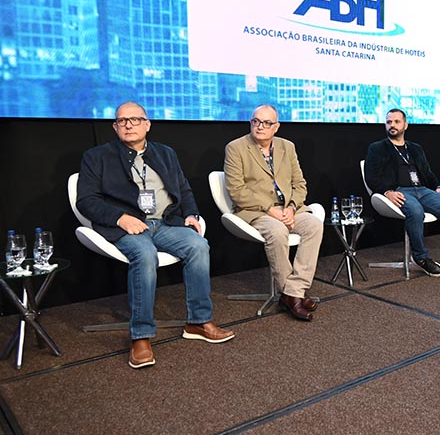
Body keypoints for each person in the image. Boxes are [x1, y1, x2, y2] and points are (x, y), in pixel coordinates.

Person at [77, 102, 234, 369]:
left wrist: (191, 214)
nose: (129, 125)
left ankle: (198, 322)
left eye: (135, 119)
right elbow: (86, 201)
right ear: (115, 126)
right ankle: (140, 335)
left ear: (147, 124)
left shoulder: (165, 153)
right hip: (127, 227)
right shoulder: (97, 156)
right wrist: (120, 218)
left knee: (198, 245)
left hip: (165, 223)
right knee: (145, 254)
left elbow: (183, 189)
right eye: (122, 121)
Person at [224, 104, 323, 321]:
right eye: (256, 121)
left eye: (266, 123)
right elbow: (237, 191)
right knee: (277, 231)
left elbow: (300, 184)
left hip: (288, 208)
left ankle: (293, 291)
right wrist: (270, 209)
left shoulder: (287, 147)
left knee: (314, 225)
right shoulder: (235, 148)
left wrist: (292, 207)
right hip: (255, 211)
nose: (260, 126)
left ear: (276, 127)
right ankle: (293, 296)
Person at [364, 108, 440, 281]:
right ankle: (421, 257)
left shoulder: (415, 148)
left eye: (396, 121)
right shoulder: (378, 148)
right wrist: (387, 192)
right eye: (389, 122)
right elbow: (370, 176)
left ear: (405, 125)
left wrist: (437, 187)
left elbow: (427, 173)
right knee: (416, 211)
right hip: (399, 191)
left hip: (422, 190)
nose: (392, 125)